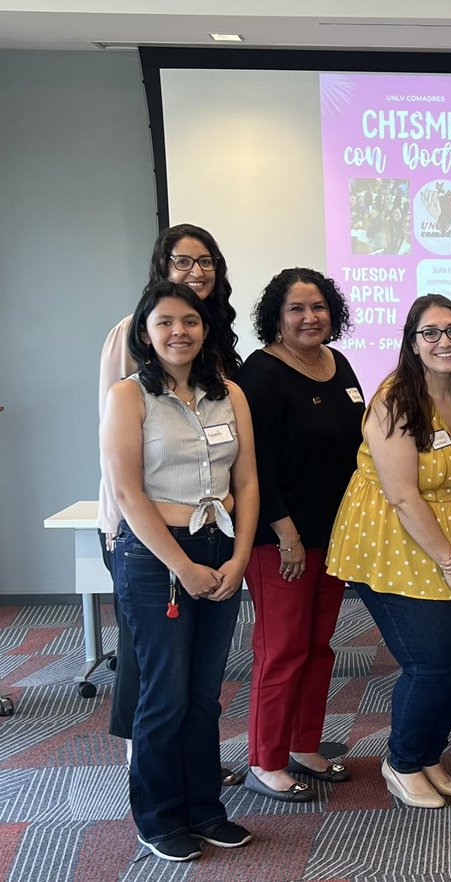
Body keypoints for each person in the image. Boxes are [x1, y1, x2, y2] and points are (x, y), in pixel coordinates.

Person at [100, 280, 258, 862]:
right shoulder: (129, 396)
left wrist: (239, 557)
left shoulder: (229, 396)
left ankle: (204, 810)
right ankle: (159, 816)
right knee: (163, 695)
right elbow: (126, 491)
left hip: (220, 547)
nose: (179, 332)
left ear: (205, 327)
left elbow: (246, 482)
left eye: (189, 321)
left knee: (204, 694)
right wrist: (182, 565)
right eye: (165, 322)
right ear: (146, 332)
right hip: (155, 556)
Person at [327, 295, 451, 809]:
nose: (444, 342)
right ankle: (401, 762)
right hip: (392, 538)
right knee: (430, 661)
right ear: (412, 343)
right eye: (431, 333)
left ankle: (427, 754)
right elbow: (402, 494)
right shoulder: (395, 399)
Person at [97, 223, 242, 779]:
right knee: (154, 671)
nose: (196, 271)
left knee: (199, 681)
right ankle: (150, 769)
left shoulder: (216, 345)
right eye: (183, 261)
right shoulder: (130, 337)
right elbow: (118, 443)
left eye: (206, 261)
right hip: (144, 528)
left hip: (211, 526)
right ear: (161, 268)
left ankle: (191, 772)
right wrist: (119, 525)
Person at [237, 269, 365, 801]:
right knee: (281, 650)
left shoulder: (340, 365)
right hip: (280, 540)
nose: (310, 318)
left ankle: (303, 744)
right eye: (296, 309)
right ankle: (265, 759)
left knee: (318, 647)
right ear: (276, 316)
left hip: (334, 536)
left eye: (318, 307)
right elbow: (253, 463)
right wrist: (284, 530)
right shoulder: (261, 373)